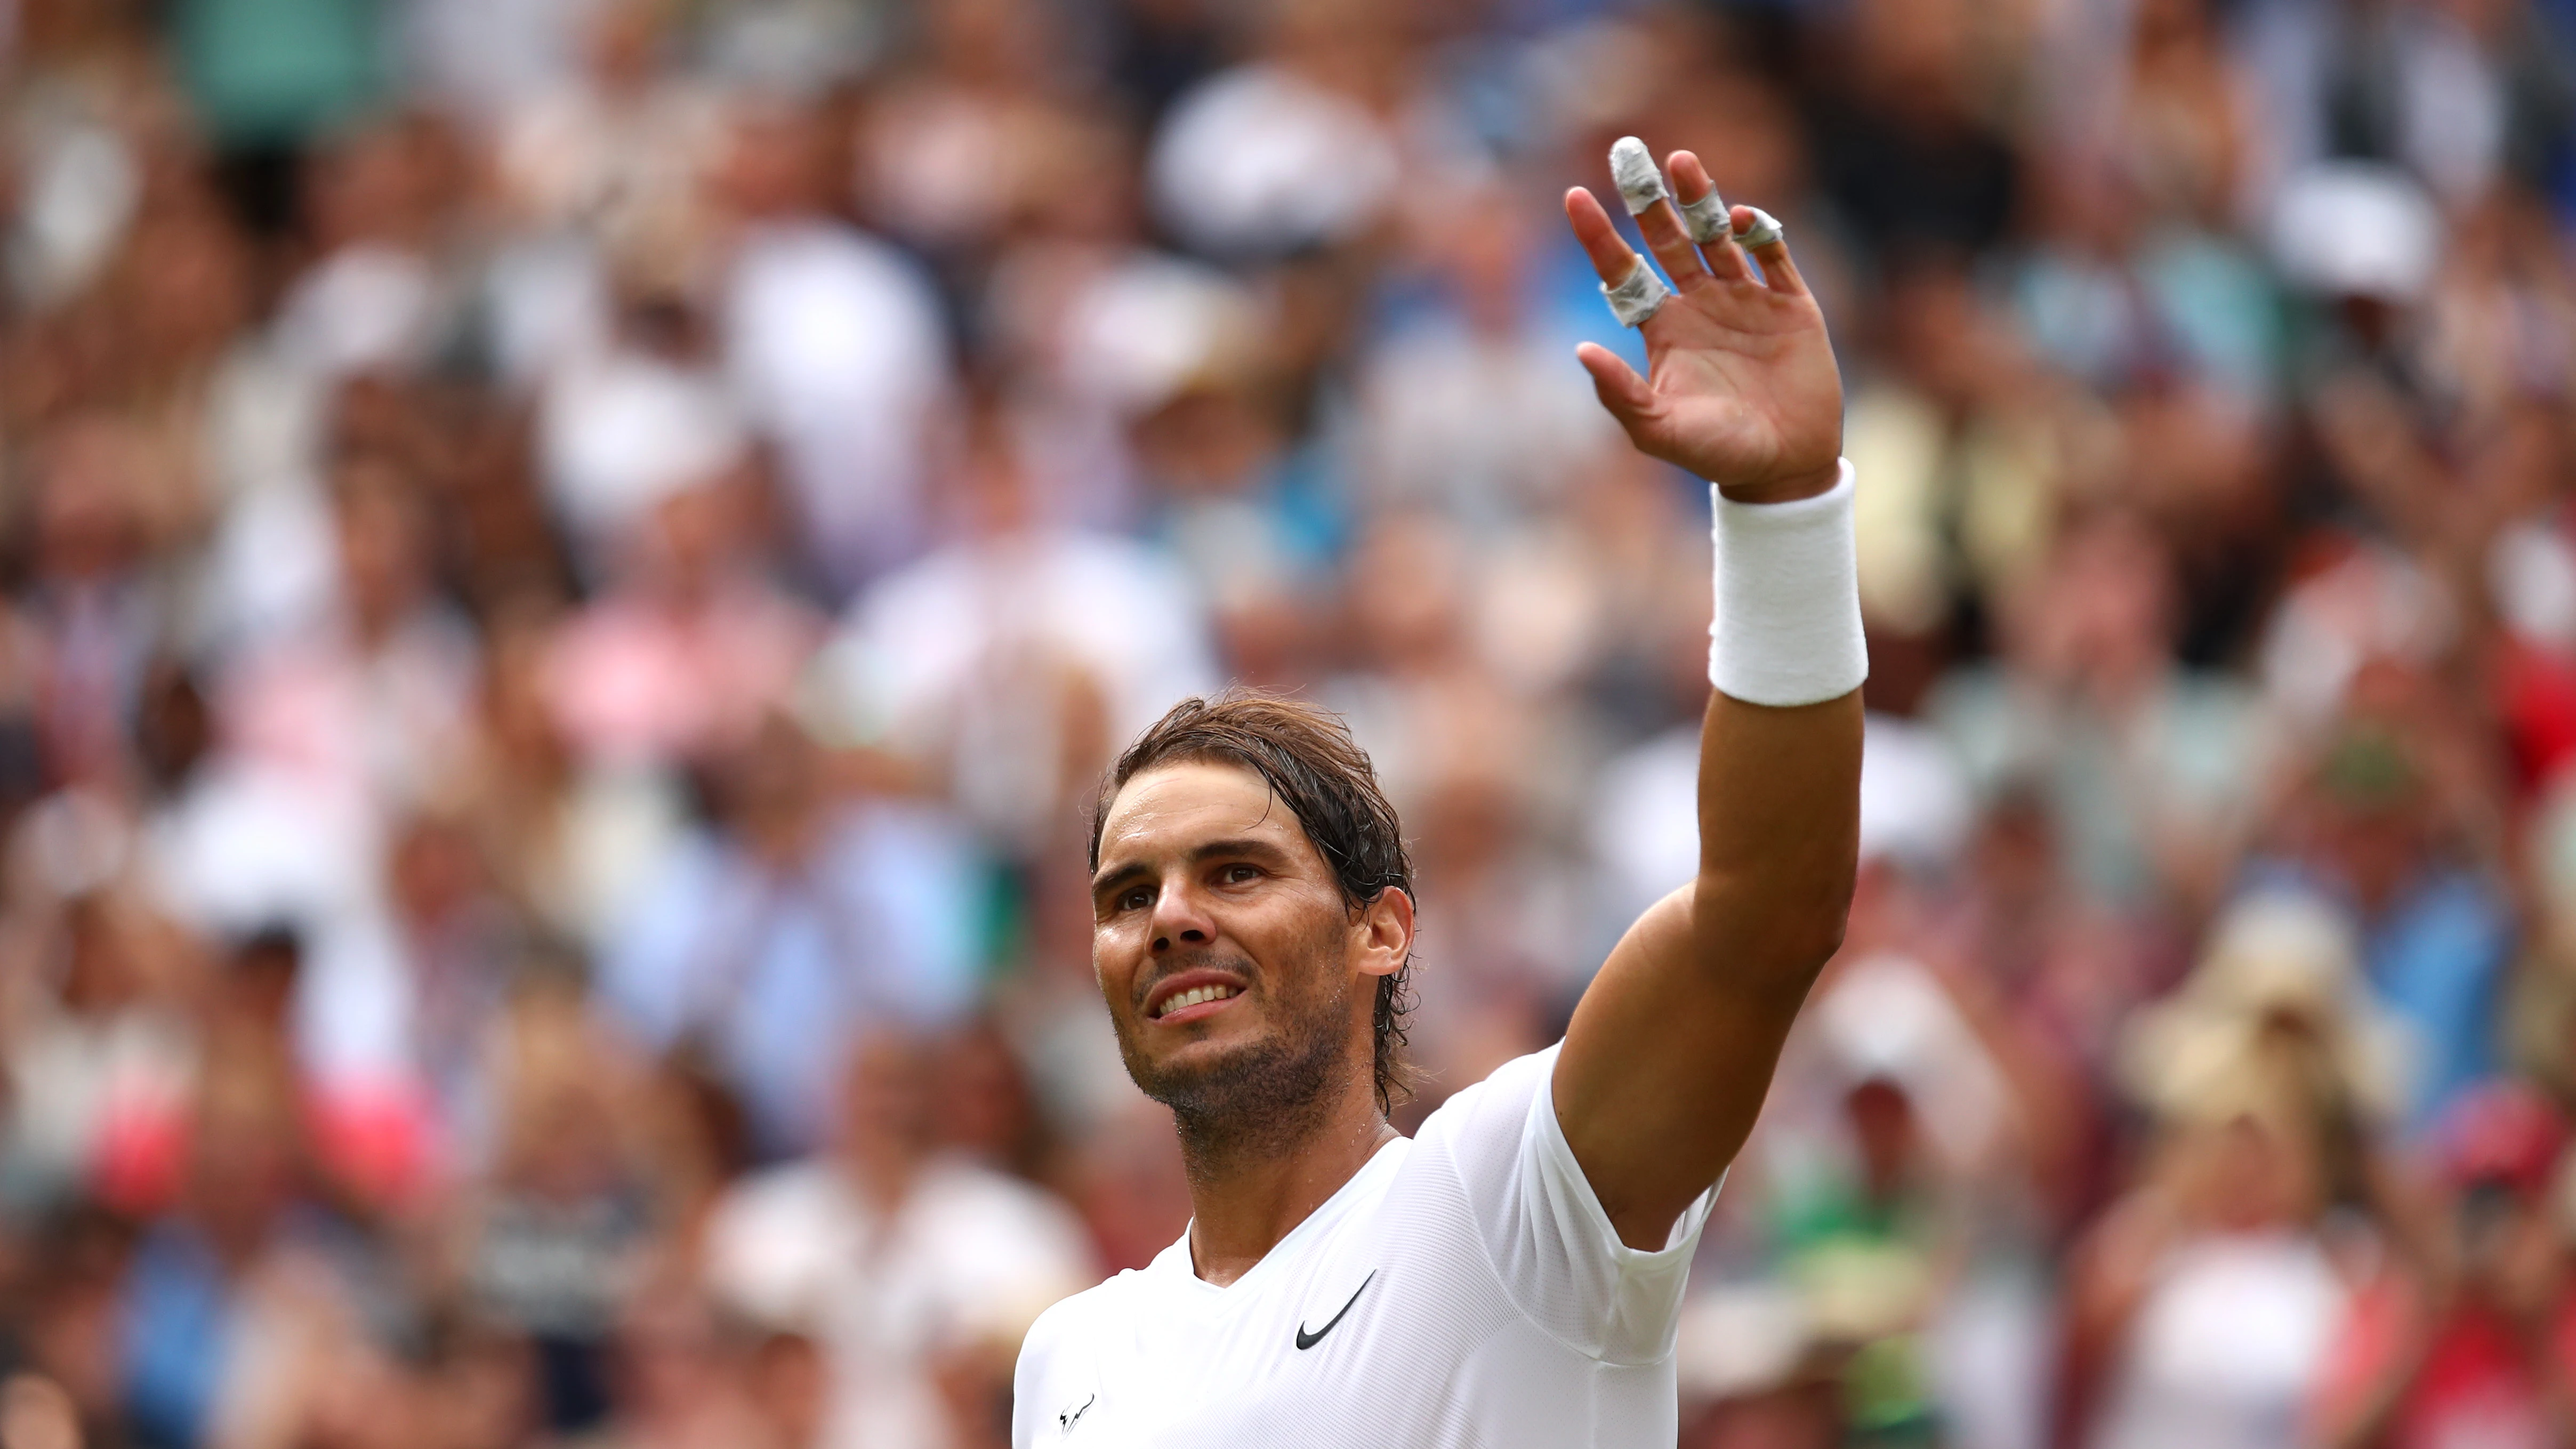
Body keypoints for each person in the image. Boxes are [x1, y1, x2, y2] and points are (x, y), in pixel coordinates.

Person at [1011, 140, 1864, 1446]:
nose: (1172, 914)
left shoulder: (1511, 1199)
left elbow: (1766, 916)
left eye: (1235, 871)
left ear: (1382, 929)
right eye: (1128, 893)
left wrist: (1783, 508)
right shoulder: (1066, 1358)